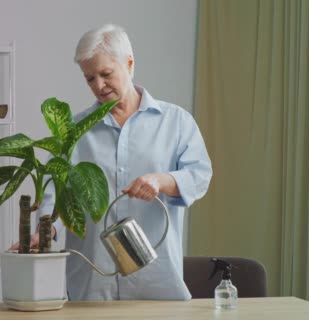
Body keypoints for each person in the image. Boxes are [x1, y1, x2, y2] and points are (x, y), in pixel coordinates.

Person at [12, 24, 212, 301]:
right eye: (89, 78)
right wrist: (46, 231)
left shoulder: (176, 122)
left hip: (157, 281)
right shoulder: (73, 130)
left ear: (129, 64)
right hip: (92, 280)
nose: (99, 86)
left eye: (106, 74)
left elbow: (199, 175)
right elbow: (54, 191)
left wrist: (161, 180)